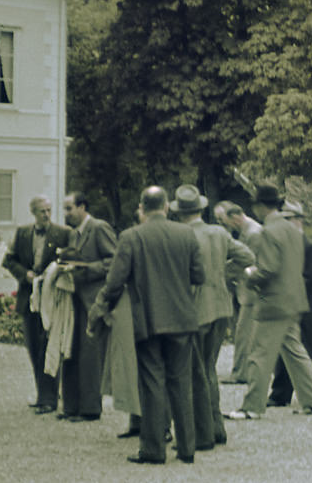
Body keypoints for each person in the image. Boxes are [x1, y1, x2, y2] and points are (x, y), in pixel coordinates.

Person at [90, 186, 205, 465]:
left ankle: (153, 448)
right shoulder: (186, 234)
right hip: (182, 319)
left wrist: (98, 309)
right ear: (167, 206)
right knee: (181, 383)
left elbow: (115, 281)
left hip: (149, 319)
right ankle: (187, 447)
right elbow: (199, 275)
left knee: (152, 384)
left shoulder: (131, 237)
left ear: (142, 207)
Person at [226, 184, 312, 420]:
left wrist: (248, 275)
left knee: (259, 354)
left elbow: (267, 269)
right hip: (294, 300)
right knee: (295, 351)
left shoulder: (268, 232)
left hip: (273, 303)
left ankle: (252, 406)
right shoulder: (291, 229)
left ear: (260, 206)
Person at [172, 185, 254, 447]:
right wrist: (222, 274)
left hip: (194, 310)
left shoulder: (180, 236)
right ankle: (216, 427)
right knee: (208, 368)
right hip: (221, 307)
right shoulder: (218, 232)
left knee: (195, 372)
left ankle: (201, 431)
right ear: (200, 209)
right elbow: (248, 256)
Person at [2, 195, 71, 414]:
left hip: (52, 298)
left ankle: (50, 398)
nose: (47, 215)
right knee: (33, 347)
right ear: (33, 212)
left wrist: (52, 275)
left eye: (49, 210)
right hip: (28, 297)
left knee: (48, 346)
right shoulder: (22, 233)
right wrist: (26, 275)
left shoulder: (63, 234)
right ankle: (42, 393)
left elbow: (70, 261)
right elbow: (8, 260)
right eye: (42, 211)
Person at [267, 200, 312, 406]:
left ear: (298, 220)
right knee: (299, 350)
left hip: (305, 305)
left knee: (299, 349)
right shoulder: (291, 244)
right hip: (293, 303)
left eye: (289, 219)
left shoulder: (308, 246)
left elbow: (311, 278)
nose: (286, 224)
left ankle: (280, 394)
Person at [59, 191, 117, 421]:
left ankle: (91, 408)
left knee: (90, 356)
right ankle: (71, 406)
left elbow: (114, 261)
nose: (66, 214)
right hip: (74, 299)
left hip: (93, 301)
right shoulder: (74, 234)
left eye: (69, 208)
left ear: (82, 207)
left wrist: (85, 268)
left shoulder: (99, 228)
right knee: (70, 352)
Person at [217, 202, 260, 385]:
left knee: (244, 334)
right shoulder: (247, 231)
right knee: (244, 334)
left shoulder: (253, 234)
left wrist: (219, 273)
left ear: (234, 217)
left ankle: (241, 373)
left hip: (252, 293)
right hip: (247, 291)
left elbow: (247, 261)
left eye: (223, 219)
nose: (222, 224)